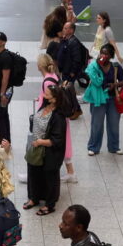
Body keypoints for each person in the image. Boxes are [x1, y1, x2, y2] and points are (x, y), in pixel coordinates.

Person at [23, 83, 69, 216]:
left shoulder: (58, 117)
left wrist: (41, 142)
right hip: (36, 147)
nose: (44, 94)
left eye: (47, 93)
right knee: (33, 172)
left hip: (49, 152)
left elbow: (57, 140)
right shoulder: (45, 106)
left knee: (49, 176)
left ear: (54, 99)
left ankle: (49, 204)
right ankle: (34, 198)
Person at [37, 53, 76, 182]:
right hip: (60, 115)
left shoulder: (47, 81)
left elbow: (49, 100)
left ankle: (39, 170)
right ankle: (70, 172)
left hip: (52, 117)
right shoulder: (53, 76)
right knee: (63, 142)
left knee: (53, 143)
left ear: (39, 66)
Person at [85, 44, 123, 156]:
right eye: (102, 53)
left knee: (114, 124)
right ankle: (93, 147)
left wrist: (114, 84)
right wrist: (97, 64)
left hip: (112, 98)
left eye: (106, 53)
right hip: (98, 99)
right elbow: (92, 78)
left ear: (111, 55)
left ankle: (114, 147)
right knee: (97, 124)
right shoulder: (95, 66)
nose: (103, 55)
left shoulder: (116, 66)